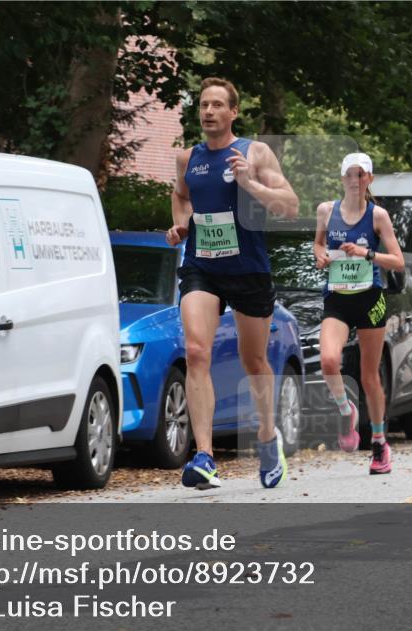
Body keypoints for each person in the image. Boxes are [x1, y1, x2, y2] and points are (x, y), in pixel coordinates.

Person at [166, 77, 299, 489]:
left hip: (248, 268)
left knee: (253, 361)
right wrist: (181, 224)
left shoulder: (254, 152)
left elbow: (290, 207)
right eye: (203, 105)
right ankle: (204, 456)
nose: (208, 112)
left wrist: (249, 183)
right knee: (196, 351)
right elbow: (182, 195)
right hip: (202, 265)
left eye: (217, 105)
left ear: (233, 112)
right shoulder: (188, 157)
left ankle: (266, 436)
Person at [314, 153, 405, 474]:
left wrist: (367, 252)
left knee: (369, 375)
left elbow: (398, 261)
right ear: (342, 179)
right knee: (328, 360)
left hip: (369, 298)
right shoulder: (326, 211)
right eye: (350, 175)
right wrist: (321, 257)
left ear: (369, 179)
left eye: (361, 175)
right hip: (337, 298)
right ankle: (344, 409)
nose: (355, 181)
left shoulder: (378, 216)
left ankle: (379, 443)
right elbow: (318, 246)